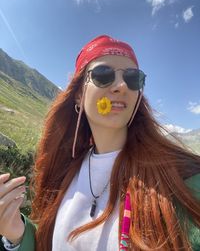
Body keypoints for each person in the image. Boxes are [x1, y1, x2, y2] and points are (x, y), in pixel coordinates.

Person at [0, 35, 200, 251]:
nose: (122, 85)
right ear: (78, 94)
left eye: (133, 79)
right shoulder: (64, 172)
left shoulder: (181, 181)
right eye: (103, 75)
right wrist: (17, 235)